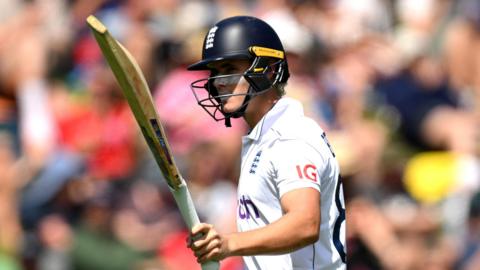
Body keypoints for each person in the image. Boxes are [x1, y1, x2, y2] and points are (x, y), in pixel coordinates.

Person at [185, 16, 346, 269]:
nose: (218, 82)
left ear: (268, 70)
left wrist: (229, 244)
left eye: (230, 70)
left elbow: (305, 223)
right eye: (215, 73)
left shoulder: (291, 136)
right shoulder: (262, 137)